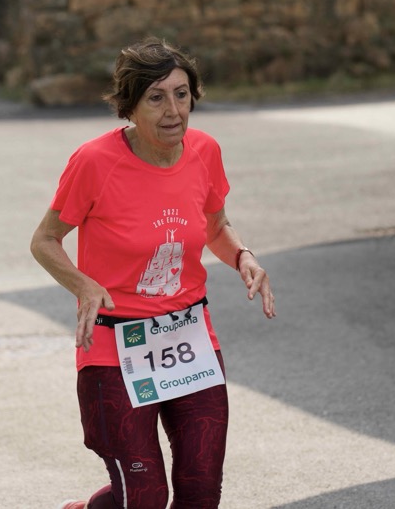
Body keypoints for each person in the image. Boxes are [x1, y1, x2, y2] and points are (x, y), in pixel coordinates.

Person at [30, 37, 276, 509]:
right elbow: (44, 240)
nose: (173, 111)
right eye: (156, 98)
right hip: (113, 346)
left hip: (188, 339)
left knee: (200, 493)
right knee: (144, 496)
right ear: (130, 106)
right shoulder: (95, 162)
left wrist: (242, 255)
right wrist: (84, 285)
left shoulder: (205, 151)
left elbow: (215, 225)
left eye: (181, 95)